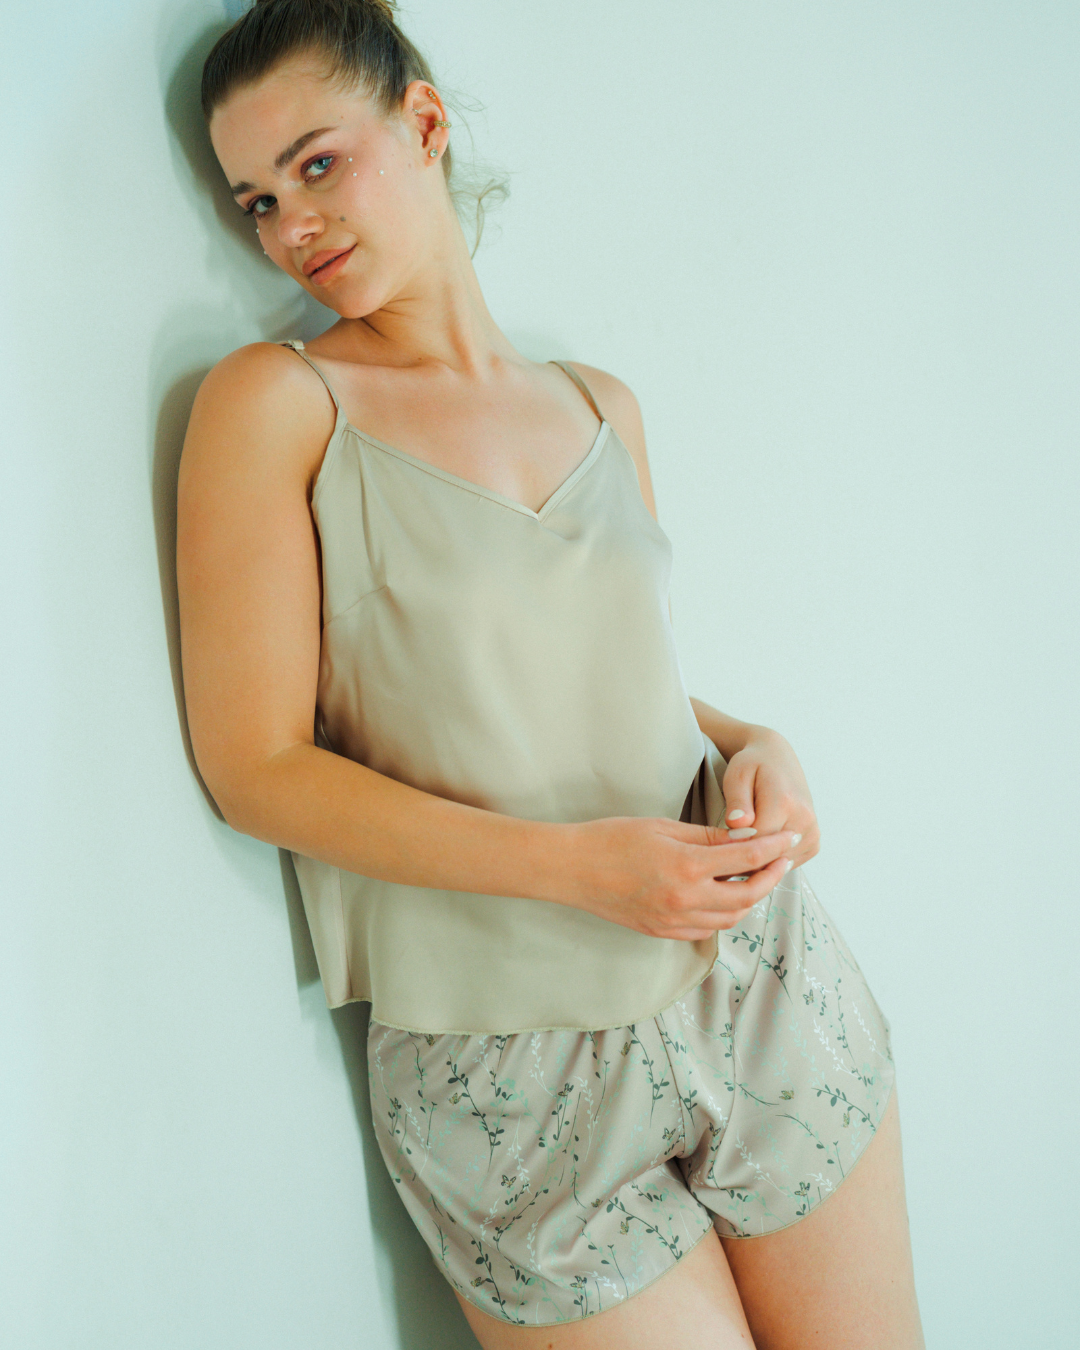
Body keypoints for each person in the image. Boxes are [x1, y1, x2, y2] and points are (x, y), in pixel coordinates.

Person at [177, 1, 924, 1345]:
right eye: (257, 201)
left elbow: (609, 682)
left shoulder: (597, 403)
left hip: (755, 979)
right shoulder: (276, 403)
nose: (292, 224)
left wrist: (754, 739)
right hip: (505, 1067)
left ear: (423, 122)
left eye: (318, 162)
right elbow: (257, 767)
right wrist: (579, 869)